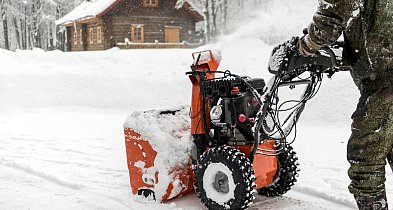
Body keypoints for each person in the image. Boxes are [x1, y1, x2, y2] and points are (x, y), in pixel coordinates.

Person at [297, 1, 393, 209]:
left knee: (365, 157)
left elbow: (333, 12)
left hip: (386, 78)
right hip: (384, 71)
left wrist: (306, 45)